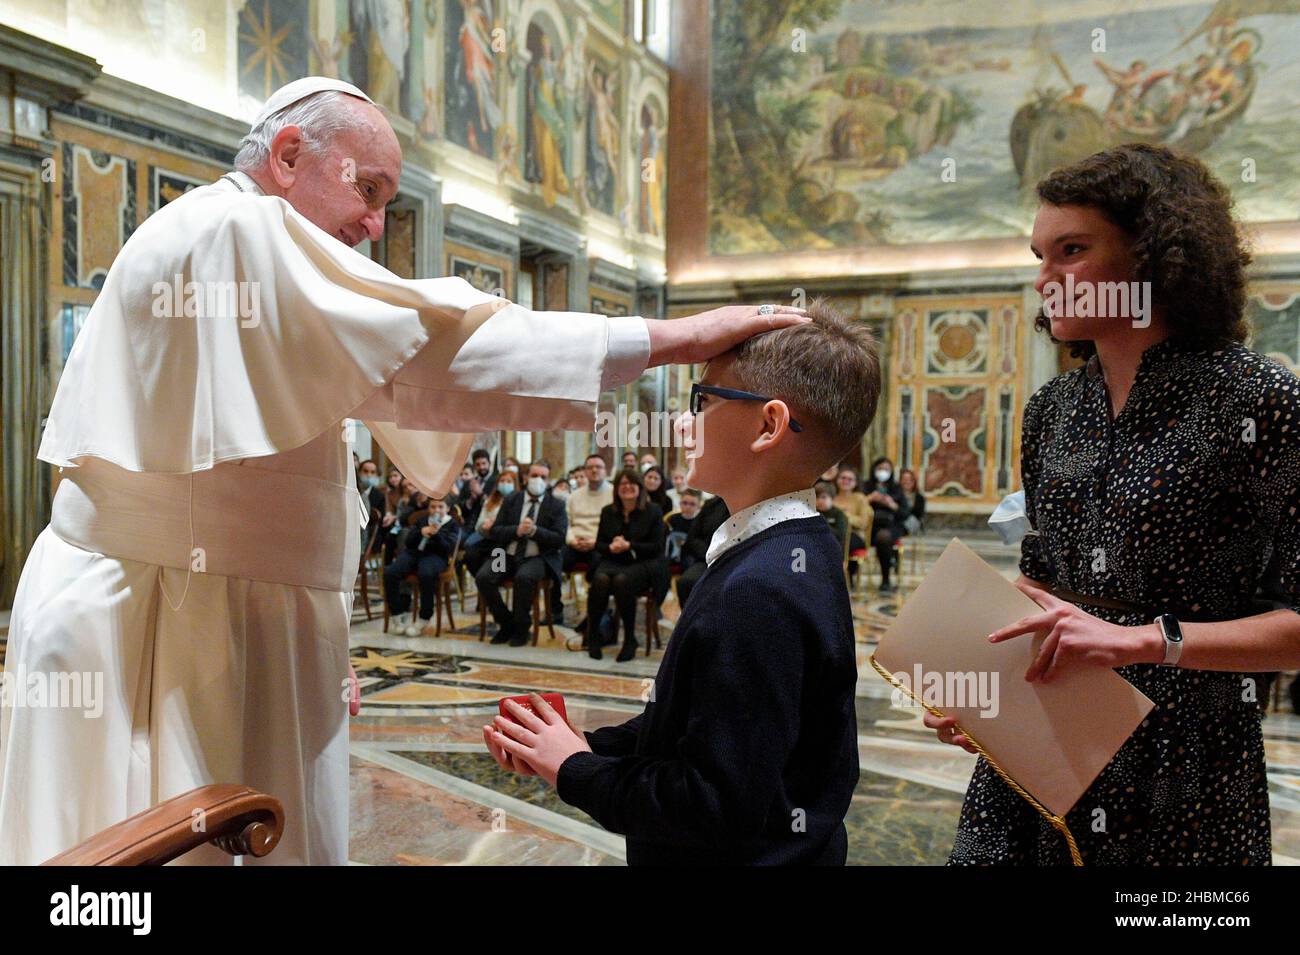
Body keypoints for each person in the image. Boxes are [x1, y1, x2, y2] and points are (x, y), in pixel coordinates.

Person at [0, 74, 809, 865]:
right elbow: (439, 352)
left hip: (222, 607)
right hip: (159, 623)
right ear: (287, 155)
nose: (378, 225)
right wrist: (679, 336)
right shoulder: (231, 235)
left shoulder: (248, 247)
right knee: (161, 843)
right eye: (369, 189)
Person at [927, 143, 1300, 865]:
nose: (1046, 278)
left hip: (1186, 764)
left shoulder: (1261, 399)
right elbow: (1042, 586)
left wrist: (1147, 639)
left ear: (1153, 254)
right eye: (1040, 254)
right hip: (1046, 739)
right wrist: (982, 688)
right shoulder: (1052, 409)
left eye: (1071, 250)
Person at [484, 298, 880, 864]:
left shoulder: (760, 591)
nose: (680, 422)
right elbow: (698, 725)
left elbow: (712, 805)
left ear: (768, 426)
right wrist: (586, 747)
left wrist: (573, 769)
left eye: (704, 401)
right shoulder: (796, 547)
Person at [475, 460, 567, 646]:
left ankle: (521, 626)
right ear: (525, 478)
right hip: (505, 553)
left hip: (538, 556)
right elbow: (496, 530)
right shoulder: (512, 500)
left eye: (543, 477)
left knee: (523, 577)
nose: (538, 480)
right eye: (534, 476)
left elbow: (559, 538)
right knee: (484, 577)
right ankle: (506, 622)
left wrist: (534, 531)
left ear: (549, 481)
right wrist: (516, 531)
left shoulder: (555, 505)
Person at [585, 468, 665, 662]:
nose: (627, 487)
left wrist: (629, 545)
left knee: (622, 581)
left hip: (644, 562)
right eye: (623, 484)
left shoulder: (653, 511)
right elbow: (600, 544)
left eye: (632, 483)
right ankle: (593, 635)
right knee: (600, 579)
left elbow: (656, 547)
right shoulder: (608, 511)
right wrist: (611, 547)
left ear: (639, 487)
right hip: (613, 559)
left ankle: (630, 639)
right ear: (617, 489)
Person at [383, 496, 462, 636]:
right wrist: (420, 532)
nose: (436, 510)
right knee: (390, 572)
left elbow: (448, 548)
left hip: (436, 556)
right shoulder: (422, 521)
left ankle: (424, 617)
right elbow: (408, 542)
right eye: (433, 507)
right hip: (414, 553)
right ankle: (397, 614)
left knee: (425, 573)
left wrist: (436, 534)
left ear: (447, 509)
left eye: (440, 507)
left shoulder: (452, 524)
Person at [553, 454, 611, 626]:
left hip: (598, 544)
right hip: (575, 543)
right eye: (590, 467)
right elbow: (567, 523)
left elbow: (614, 526)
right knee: (552, 563)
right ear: (585, 471)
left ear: (605, 471)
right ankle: (555, 611)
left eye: (598, 467)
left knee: (600, 570)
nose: (594, 470)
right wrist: (571, 540)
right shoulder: (574, 496)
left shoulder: (613, 494)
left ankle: (595, 614)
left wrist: (595, 541)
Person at [674, 492, 729, 608]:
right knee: (685, 582)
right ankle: (690, 624)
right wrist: (710, 554)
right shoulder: (711, 504)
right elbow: (693, 537)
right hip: (707, 558)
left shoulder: (750, 504)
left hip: (734, 561)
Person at [865, 457, 909, 593]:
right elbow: (857, 505)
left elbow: (905, 513)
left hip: (891, 526)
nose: (882, 472)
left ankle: (886, 579)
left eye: (886, 469)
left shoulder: (896, 488)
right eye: (880, 469)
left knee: (883, 538)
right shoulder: (866, 486)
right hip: (869, 525)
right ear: (874, 469)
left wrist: (891, 504)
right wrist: (869, 499)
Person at [464, 472, 514, 575]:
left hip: (504, 541)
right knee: (470, 554)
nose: (505, 484)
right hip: (487, 536)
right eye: (502, 481)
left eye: (509, 481)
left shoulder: (517, 501)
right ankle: (479, 581)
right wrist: (486, 524)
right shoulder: (490, 500)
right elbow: (479, 525)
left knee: (494, 564)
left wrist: (497, 522)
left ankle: (488, 581)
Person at [815, 481, 849, 552]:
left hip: (833, 548)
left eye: (823, 497)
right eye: (817, 497)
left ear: (832, 498)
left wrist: (823, 523)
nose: (819, 500)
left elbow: (840, 535)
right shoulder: (813, 513)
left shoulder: (838, 513)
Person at [898, 467, 925, 535]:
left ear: (914, 482)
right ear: (900, 481)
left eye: (910, 479)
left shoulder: (920, 498)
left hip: (912, 522)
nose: (907, 482)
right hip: (898, 521)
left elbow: (918, 515)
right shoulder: (895, 495)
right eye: (905, 479)